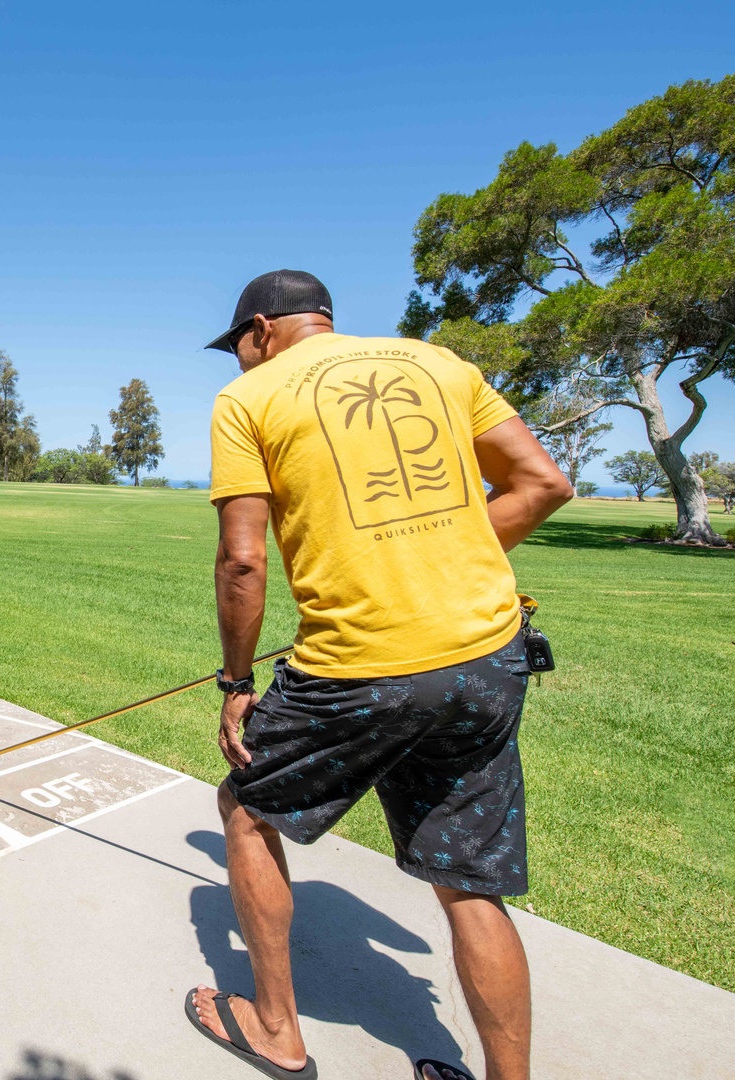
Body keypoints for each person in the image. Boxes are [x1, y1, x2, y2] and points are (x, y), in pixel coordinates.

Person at [183, 270, 573, 1080]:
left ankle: (277, 1030)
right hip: (486, 656)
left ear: (260, 329)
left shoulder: (248, 399)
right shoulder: (440, 362)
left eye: (238, 349)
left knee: (246, 809)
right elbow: (543, 483)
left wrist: (234, 685)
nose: (239, 363)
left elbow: (244, 560)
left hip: (361, 666)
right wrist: (435, 563)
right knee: (467, 882)